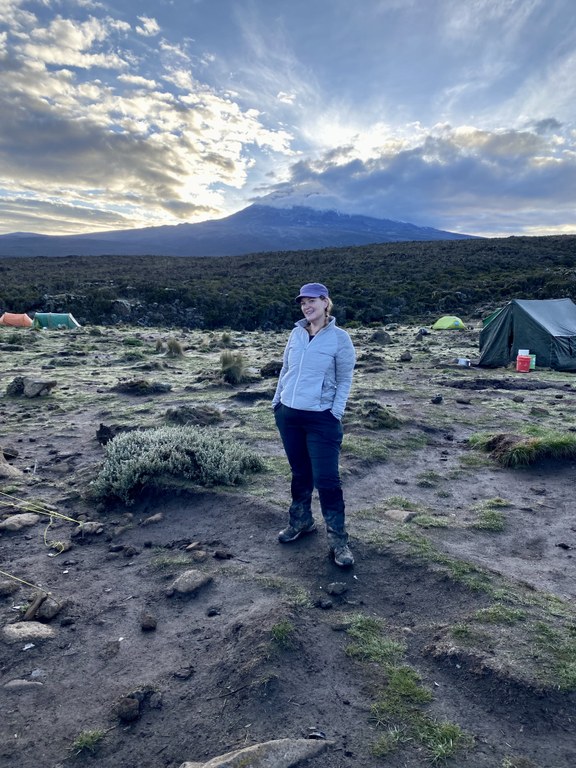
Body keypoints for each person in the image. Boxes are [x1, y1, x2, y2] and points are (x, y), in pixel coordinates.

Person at [272, 282, 356, 567]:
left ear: (325, 302)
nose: (306, 307)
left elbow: (345, 379)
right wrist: (277, 403)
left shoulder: (339, 339)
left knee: (328, 481)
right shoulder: (296, 333)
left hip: (321, 419)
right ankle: (301, 522)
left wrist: (335, 412)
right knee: (300, 473)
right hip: (289, 415)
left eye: (312, 301)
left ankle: (338, 541)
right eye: (302, 303)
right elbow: (286, 369)